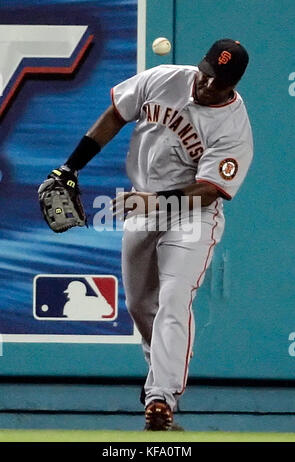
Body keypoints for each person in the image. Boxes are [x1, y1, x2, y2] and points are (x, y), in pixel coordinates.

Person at [46, 39, 253, 430]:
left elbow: (209, 189)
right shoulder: (166, 79)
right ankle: (157, 377)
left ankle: (162, 396)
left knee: (174, 298)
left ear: (234, 84)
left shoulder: (233, 127)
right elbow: (115, 114)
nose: (207, 86)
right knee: (141, 305)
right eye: (206, 75)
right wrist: (70, 167)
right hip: (144, 207)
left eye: (218, 83)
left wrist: (154, 200)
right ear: (202, 64)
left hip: (193, 215)